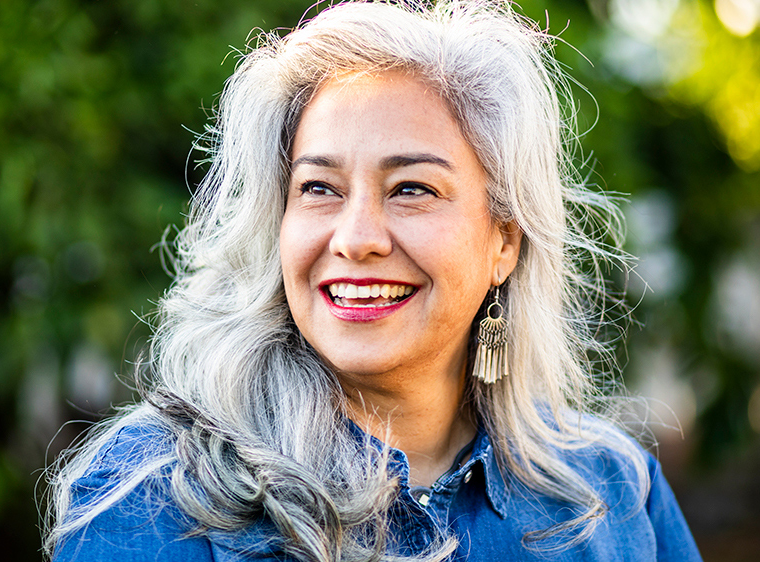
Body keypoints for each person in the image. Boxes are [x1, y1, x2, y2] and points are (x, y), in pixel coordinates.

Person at [44, 1, 703, 560]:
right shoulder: (151, 498)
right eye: (319, 187)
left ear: (504, 239)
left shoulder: (614, 493)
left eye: (411, 187)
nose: (357, 237)